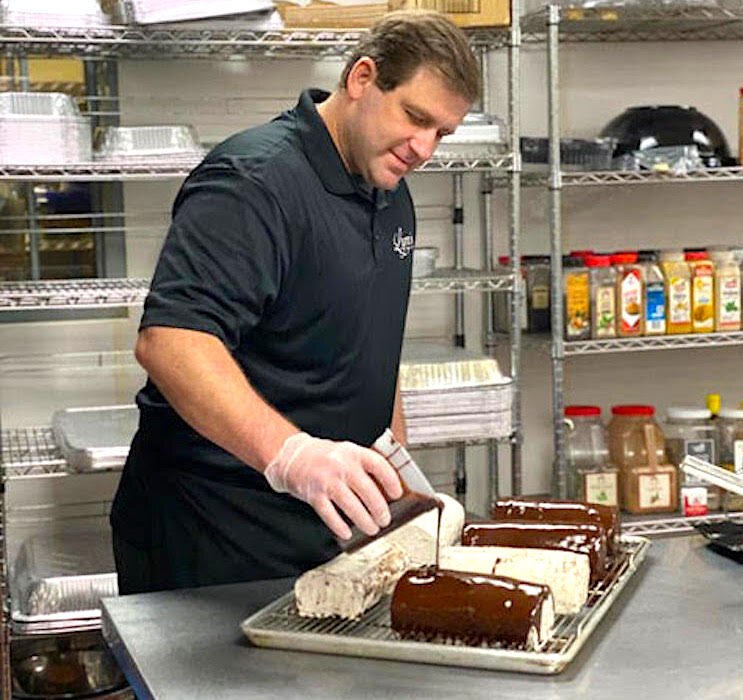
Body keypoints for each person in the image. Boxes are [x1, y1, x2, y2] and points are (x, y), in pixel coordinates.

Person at [110, 10, 480, 594]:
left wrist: (398, 479)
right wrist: (292, 455)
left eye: (443, 133)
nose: (425, 148)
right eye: (416, 118)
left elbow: (370, 348)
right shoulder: (254, 182)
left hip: (327, 528)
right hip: (217, 531)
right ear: (362, 78)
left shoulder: (391, 195)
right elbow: (172, 342)